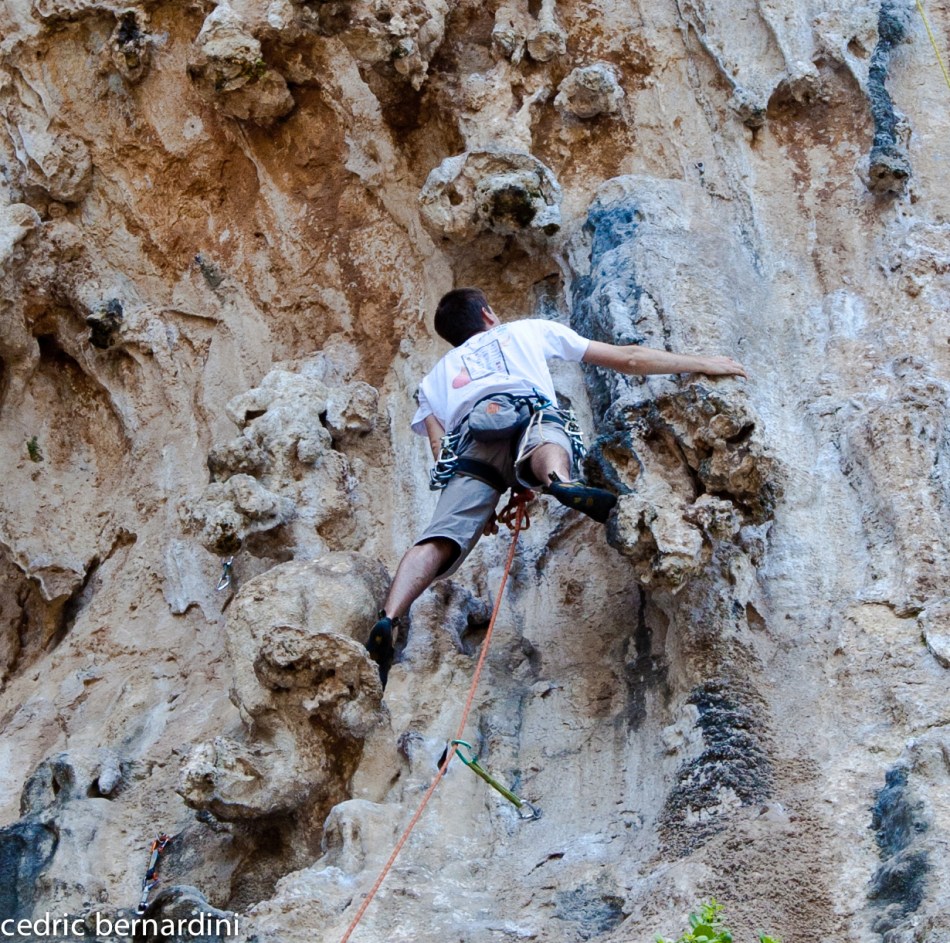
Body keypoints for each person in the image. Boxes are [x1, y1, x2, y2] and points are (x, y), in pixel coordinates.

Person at [366, 287, 747, 685]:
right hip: (527, 411)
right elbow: (628, 358)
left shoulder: (433, 380)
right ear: (488, 313)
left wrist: (477, 505)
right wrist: (702, 363)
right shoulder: (527, 331)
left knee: (438, 538)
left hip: (472, 444)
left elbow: (439, 450)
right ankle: (559, 481)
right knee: (550, 431)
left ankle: (389, 615)